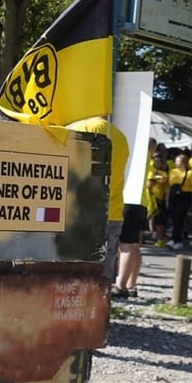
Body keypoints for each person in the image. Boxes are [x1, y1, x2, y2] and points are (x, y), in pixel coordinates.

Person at [67, 116, 128, 281]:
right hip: (112, 211)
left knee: (73, 273)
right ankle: (101, 306)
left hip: (80, 212)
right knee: (102, 275)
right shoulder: (121, 137)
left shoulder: (78, 128)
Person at [168, 152, 192, 250]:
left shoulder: (190, 173)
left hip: (184, 196)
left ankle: (178, 240)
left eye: (178, 161)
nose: (176, 163)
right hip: (173, 196)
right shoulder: (172, 172)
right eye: (175, 161)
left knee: (179, 218)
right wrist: (167, 200)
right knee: (173, 218)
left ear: (183, 162)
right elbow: (169, 187)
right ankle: (173, 238)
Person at [147, 153, 170, 247]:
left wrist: (167, 201)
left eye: (159, 161)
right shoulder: (149, 172)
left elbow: (165, 184)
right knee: (150, 218)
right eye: (155, 161)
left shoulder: (164, 174)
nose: (157, 163)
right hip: (149, 199)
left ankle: (160, 239)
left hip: (159, 199)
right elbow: (149, 184)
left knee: (160, 221)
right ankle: (152, 234)